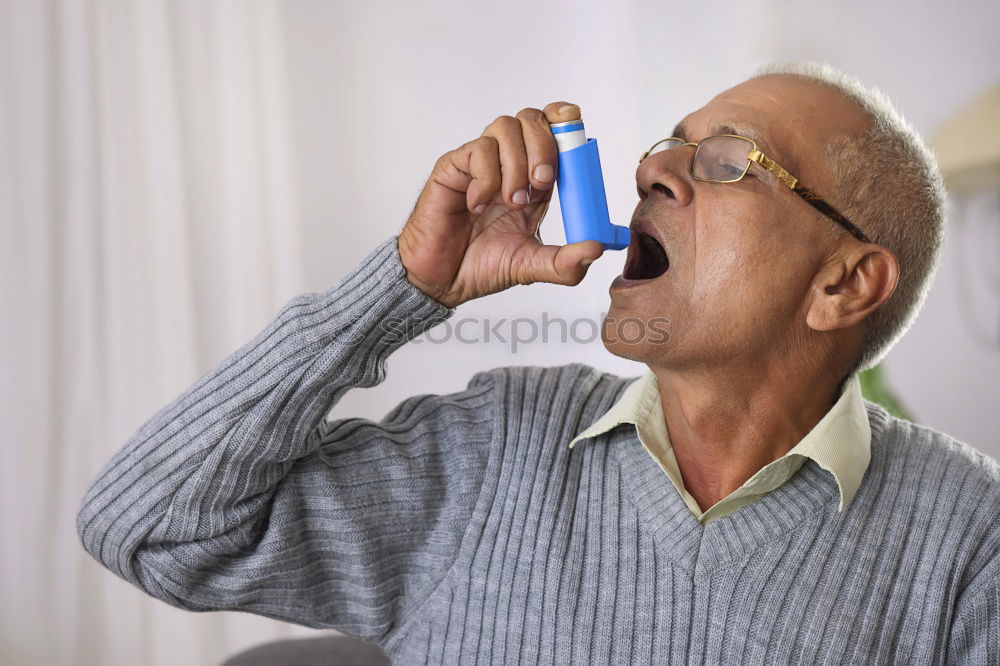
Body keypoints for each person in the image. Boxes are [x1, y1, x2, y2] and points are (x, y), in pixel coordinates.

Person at [77, 62, 1000, 664]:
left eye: (728, 162)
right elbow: (150, 530)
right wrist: (402, 285)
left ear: (843, 283)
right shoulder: (499, 441)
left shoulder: (970, 539)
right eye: (665, 147)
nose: (656, 171)